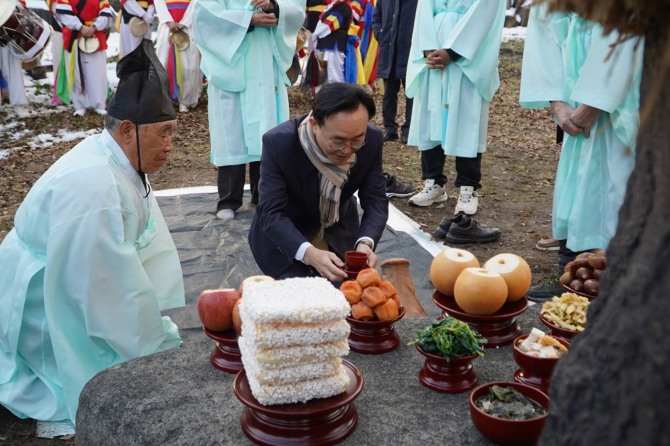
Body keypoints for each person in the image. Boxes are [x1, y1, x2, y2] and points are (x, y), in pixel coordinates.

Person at [0, 40, 185, 430]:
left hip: (65, 267)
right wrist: (148, 344)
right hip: (42, 296)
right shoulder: (95, 189)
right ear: (127, 130)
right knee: (104, 371)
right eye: (164, 134)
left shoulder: (114, 156)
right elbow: (105, 293)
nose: (170, 147)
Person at [519, 5, 643, 301]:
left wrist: (594, 104)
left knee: (617, 181)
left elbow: (631, 24)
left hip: (622, 91)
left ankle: (620, 274)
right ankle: (572, 271)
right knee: (577, 184)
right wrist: (558, 103)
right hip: (573, 92)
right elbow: (544, 27)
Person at [249, 82, 389, 281]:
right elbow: (271, 212)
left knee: (345, 294)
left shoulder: (372, 140)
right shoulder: (279, 143)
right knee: (300, 296)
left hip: (339, 231)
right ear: (314, 125)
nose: (347, 149)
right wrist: (309, 253)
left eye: (357, 140)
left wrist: (365, 243)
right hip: (286, 238)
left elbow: (376, 200)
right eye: (338, 140)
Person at [193, 0, 305, 222]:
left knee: (267, 130)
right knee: (231, 133)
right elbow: (204, 16)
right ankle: (228, 198)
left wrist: (275, 6)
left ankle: (264, 196)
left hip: (265, 59)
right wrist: (246, 20)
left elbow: (295, 7)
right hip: (231, 61)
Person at [405, 0, 505, 217]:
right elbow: (425, 8)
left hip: (468, 55)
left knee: (466, 118)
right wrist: (427, 47)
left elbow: (486, 9)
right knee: (431, 114)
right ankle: (433, 182)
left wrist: (454, 51)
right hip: (433, 47)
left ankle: (468, 187)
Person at [55, 0, 114, 116]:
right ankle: (79, 104)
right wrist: (80, 27)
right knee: (76, 72)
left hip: (95, 35)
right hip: (74, 36)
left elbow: (106, 14)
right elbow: (64, 15)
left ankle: (99, 104)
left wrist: (94, 26)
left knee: (97, 72)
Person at [371, 0, 416, 145]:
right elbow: (376, 18)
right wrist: (380, 33)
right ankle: (390, 129)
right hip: (389, 51)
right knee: (389, 94)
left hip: (410, 52)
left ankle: (409, 131)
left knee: (412, 94)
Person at [154, 0, 202, 113]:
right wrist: (169, 21)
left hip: (188, 26)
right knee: (164, 62)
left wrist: (184, 22)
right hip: (167, 26)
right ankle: (166, 99)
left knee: (189, 65)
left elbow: (196, 3)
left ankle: (185, 100)